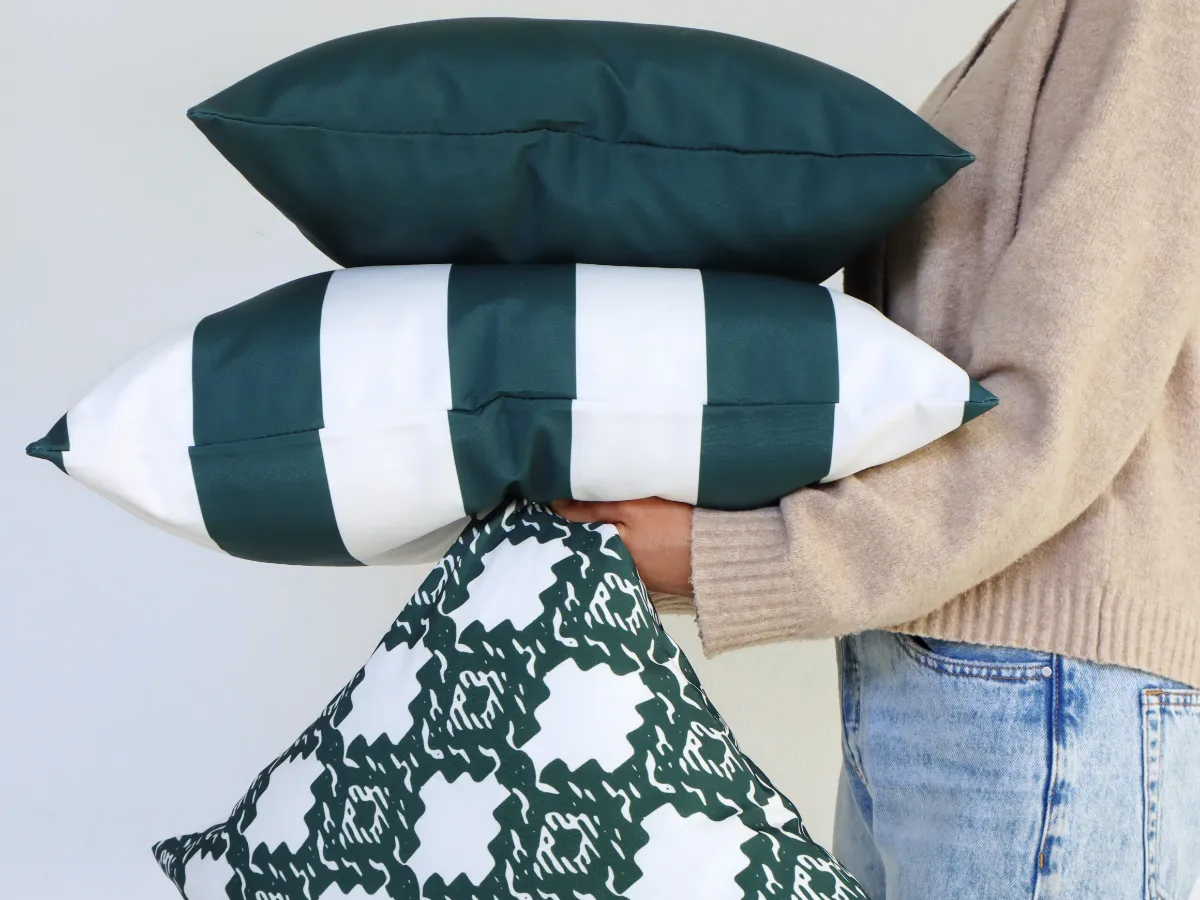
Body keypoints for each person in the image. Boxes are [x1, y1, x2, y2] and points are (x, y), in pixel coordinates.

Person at [552, 0, 1200, 897]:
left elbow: (1050, 420)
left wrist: (728, 553)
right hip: (961, 682)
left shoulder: (1149, 20)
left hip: (1042, 701)